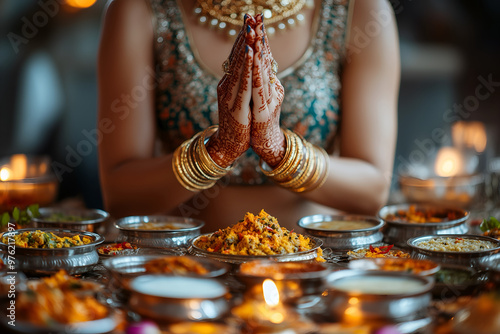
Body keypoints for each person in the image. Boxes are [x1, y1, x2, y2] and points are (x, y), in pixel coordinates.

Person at [97, 0, 400, 232]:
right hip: (183, 270)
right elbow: (121, 196)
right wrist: (218, 151)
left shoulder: (359, 10)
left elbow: (372, 190)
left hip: (318, 266)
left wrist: (280, 151)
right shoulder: (140, 9)